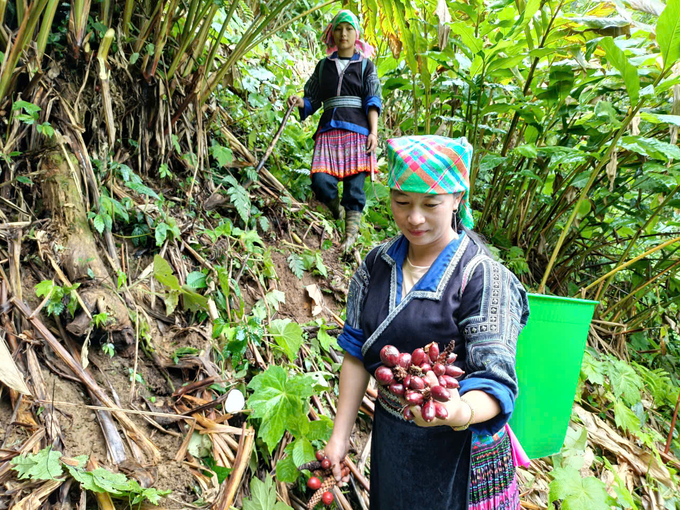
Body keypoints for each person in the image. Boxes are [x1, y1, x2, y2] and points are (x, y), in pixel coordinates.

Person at [325, 136, 531, 509]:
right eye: (401, 202)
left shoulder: (483, 277)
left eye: (430, 203)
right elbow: (357, 352)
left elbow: (497, 379)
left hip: (460, 450)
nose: (414, 217)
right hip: (394, 440)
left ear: (457, 199)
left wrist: (457, 412)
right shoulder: (375, 265)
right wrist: (340, 437)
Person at [288, 10, 382, 252]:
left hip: (357, 133)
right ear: (333, 32)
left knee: (354, 187)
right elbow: (312, 99)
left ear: (356, 34)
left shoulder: (366, 66)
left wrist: (373, 132)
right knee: (320, 180)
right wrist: (300, 102)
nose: (344, 34)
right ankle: (336, 210)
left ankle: (350, 236)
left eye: (349, 29)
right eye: (339, 28)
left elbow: (372, 101)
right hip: (328, 131)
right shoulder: (323, 66)